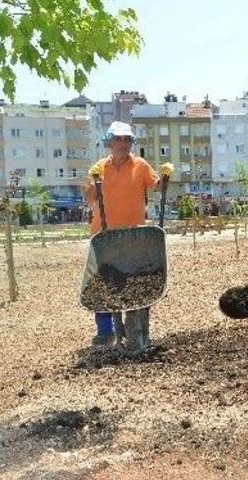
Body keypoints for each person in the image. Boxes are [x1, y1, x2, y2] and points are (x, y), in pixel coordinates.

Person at [85, 121, 173, 348]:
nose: (123, 144)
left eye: (127, 139)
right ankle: (105, 331)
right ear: (109, 142)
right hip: (105, 235)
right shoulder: (99, 168)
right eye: (118, 139)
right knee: (103, 283)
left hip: (134, 236)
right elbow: (90, 198)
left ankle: (135, 328)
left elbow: (156, 186)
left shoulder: (141, 165)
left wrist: (164, 177)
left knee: (134, 282)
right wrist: (93, 184)